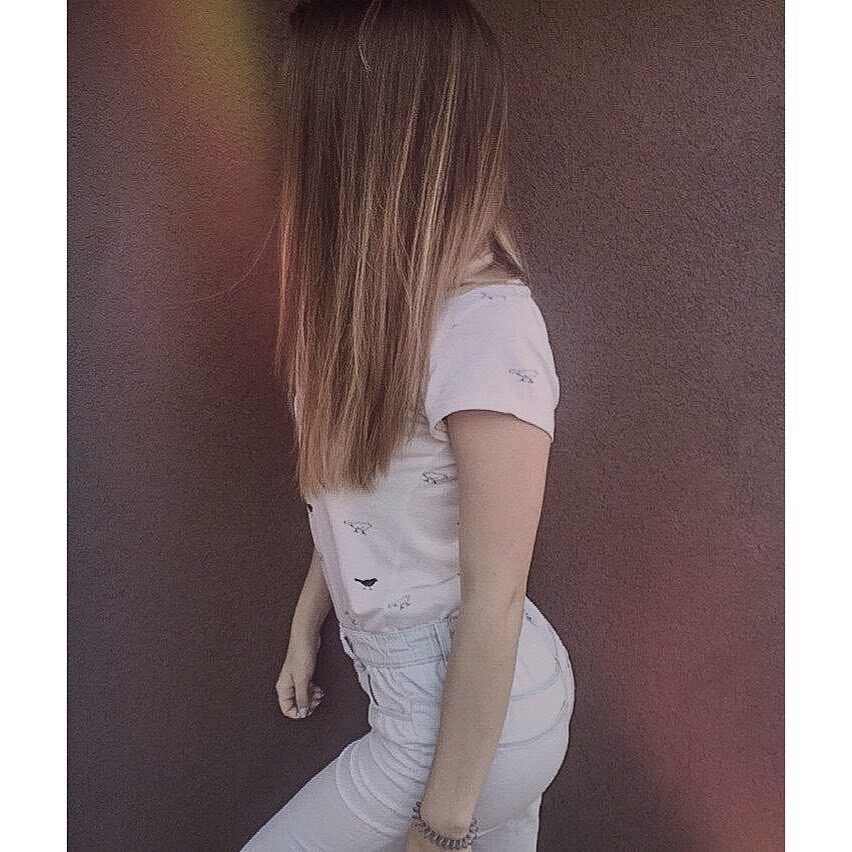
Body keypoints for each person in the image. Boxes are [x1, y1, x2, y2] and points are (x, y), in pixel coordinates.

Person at [241, 1, 576, 849]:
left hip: (465, 725)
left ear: (374, 137)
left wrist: (440, 829)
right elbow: (359, 496)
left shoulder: (489, 330)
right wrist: (307, 621)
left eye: (316, 118)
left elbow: (496, 597)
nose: (299, 146)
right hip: (453, 707)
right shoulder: (381, 313)